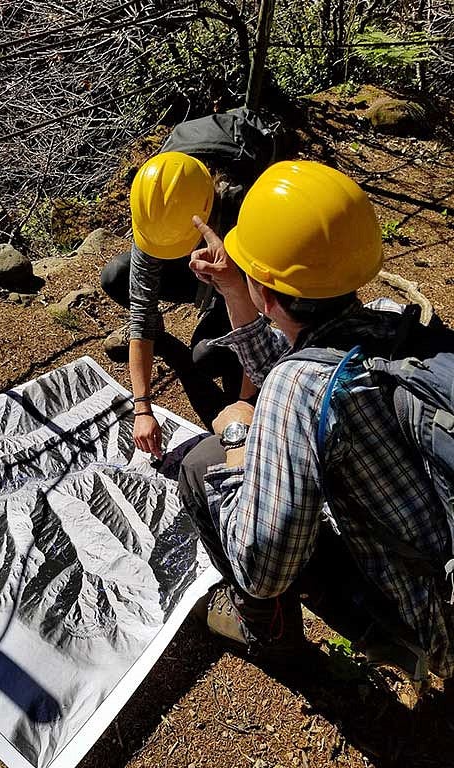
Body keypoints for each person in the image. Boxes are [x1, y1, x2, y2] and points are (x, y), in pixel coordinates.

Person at [178, 159, 454, 685]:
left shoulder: (293, 392)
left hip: (426, 614)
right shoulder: (391, 317)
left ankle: (270, 635)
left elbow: (265, 569)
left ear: (274, 293)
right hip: (440, 556)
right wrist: (238, 290)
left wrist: (239, 434)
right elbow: (305, 361)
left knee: (199, 465)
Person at [100, 109, 277, 460]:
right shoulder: (159, 207)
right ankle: (176, 345)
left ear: (207, 210)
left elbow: (262, 318)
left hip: (239, 275)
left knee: (209, 354)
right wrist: (142, 408)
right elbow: (141, 313)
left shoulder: (245, 210)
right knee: (116, 275)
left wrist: (244, 405)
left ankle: (246, 400)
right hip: (209, 264)